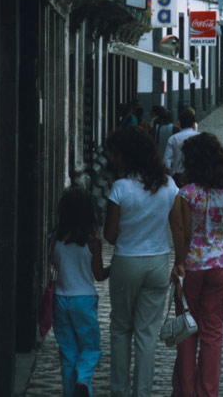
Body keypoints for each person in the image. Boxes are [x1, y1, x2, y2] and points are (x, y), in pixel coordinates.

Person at [104, 127, 186, 397]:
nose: (113, 160)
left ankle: (119, 391)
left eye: (116, 155)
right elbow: (178, 230)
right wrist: (179, 263)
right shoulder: (169, 185)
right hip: (157, 264)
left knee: (120, 328)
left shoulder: (120, 189)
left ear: (128, 156)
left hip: (127, 262)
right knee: (146, 335)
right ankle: (143, 392)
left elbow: (110, 235)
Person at [172, 132, 223, 397]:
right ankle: (208, 392)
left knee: (187, 332)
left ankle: (185, 392)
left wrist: (178, 267)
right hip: (218, 267)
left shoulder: (186, 195)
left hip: (192, 268)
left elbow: (184, 237)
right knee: (213, 336)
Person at [51, 187, 109, 397]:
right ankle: (83, 380)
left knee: (68, 354)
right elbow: (100, 275)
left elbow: (53, 263)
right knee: (90, 347)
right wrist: (115, 267)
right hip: (84, 300)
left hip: (60, 299)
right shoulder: (92, 243)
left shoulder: (56, 239)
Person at [165, 108, 199, 181]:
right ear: (193, 124)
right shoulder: (200, 137)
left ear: (179, 123)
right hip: (196, 175)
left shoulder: (173, 139)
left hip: (179, 176)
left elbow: (166, 160)